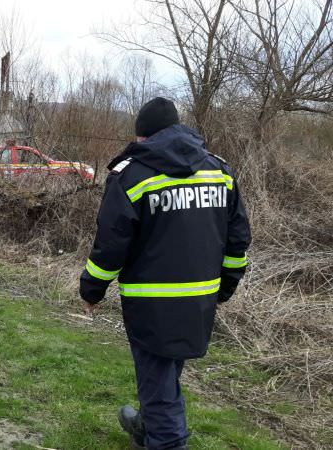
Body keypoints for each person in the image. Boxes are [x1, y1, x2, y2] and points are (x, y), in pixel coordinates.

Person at [79, 97, 251, 450]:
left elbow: (111, 244)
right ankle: (147, 426)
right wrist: (225, 289)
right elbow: (237, 242)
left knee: (159, 382)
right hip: (200, 300)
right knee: (166, 374)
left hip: (152, 303)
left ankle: (164, 437)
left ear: (142, 136)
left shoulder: (131, 175)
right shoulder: (220, 171)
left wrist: (91, 290)